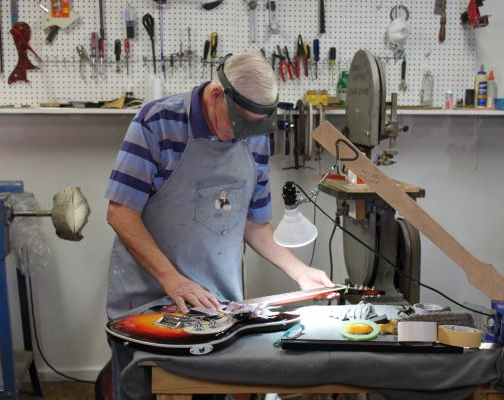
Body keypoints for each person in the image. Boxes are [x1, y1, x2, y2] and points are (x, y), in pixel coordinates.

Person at [104, 52, 334, 400]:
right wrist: (173, 279)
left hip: (218, 311)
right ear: (216, 96)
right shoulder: (156, 123)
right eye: (239, 126)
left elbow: (255, 225)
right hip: (149, 308)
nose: (242, 138)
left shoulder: (253, 138)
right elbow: (120, 212)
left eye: (254, 129)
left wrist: (300, 272)